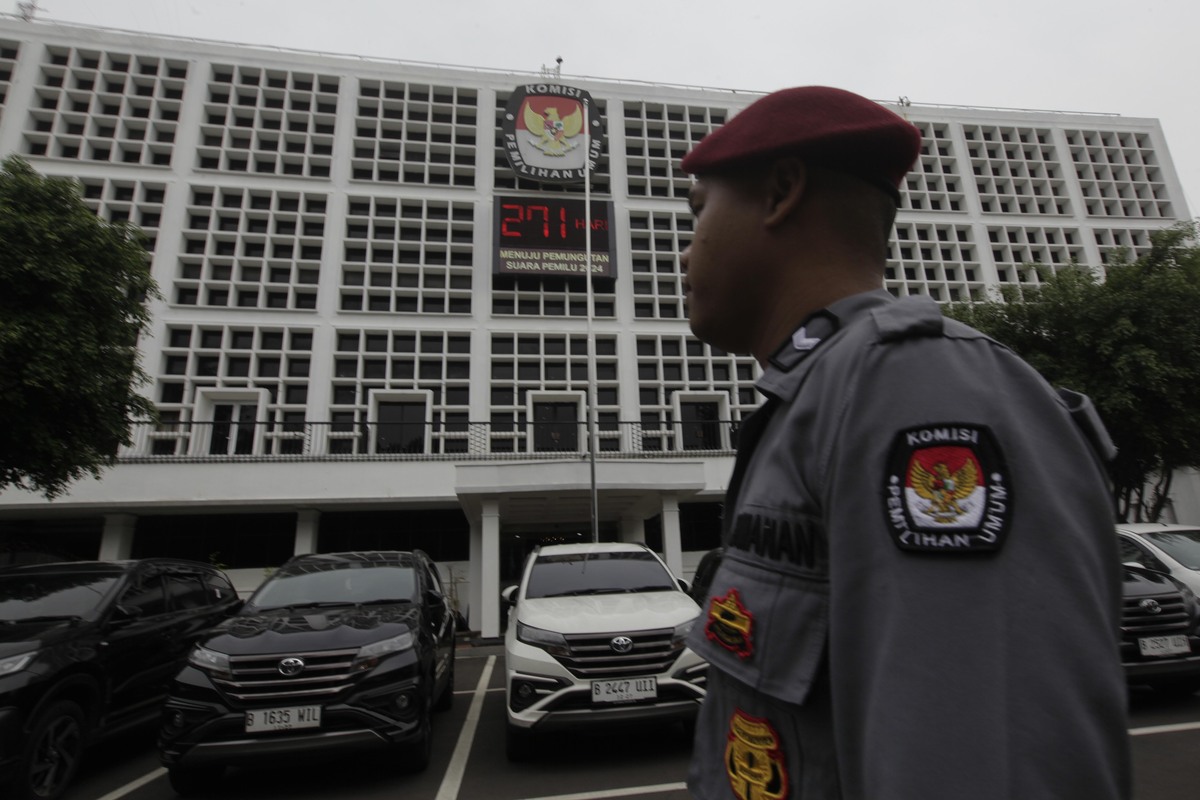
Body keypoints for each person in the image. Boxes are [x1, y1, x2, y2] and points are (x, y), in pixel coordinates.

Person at [678, 86, 1130, 800]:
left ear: (780, 192)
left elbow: (984, 764)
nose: (689, 243)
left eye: (699, 211)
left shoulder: (918, 390)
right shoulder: (822, 395)